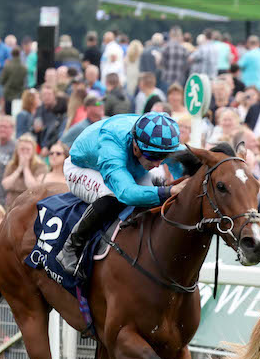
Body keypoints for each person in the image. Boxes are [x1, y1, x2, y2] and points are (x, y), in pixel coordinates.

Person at [54, 113, 184, 278]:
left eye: (163, 157)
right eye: (153, 157)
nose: (158, 164)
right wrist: (169, 191)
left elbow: (184, 167)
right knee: (114, 194)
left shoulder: (159, 141)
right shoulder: (112, 144)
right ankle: (71, 248)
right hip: (83, 167)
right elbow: (126, 193)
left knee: (151, 200)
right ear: (136, 147)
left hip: (130, 165)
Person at [1, 133, 48, 208]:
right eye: (22, 149)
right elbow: (5, 185)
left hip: (30, 205)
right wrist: (19, 168)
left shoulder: (41, 166)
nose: (25, 152)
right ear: (17, 150)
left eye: (28, 149)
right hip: (12, 204)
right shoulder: (12, 165)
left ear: (33, 151)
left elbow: (34, 187)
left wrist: (26, 168)